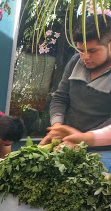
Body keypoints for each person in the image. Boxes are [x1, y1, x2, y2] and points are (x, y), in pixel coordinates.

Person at [48, 14, 111, 169]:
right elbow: (60, 98)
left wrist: (80, 140)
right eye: (81, 50)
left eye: (92, 51)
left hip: (103, 150)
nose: (85, 57)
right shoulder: (75, 61)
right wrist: (57, 128)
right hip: (69, 142)